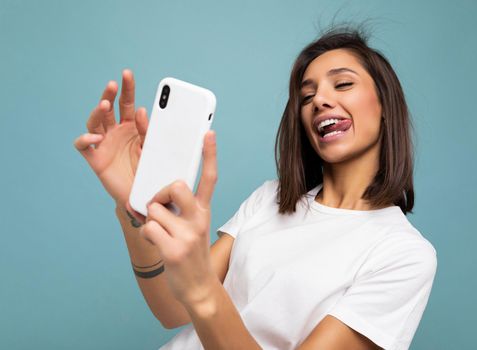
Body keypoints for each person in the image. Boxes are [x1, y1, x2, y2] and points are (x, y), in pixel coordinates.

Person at [74, 26, 437, 350]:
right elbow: (170, 309)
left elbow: (198, 292)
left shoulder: (404, 255)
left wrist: (202, 288)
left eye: (342, 84)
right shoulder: (270, 199)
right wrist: (135, 210)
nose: (319, 101)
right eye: (307, 97)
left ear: (386, 104)